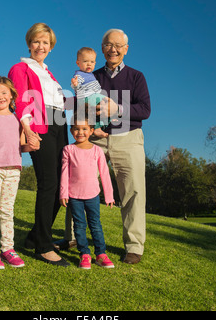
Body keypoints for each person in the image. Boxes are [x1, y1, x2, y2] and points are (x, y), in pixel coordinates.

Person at [61, 29, 151, 265]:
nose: (114, 49)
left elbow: (145, 110)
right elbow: (80, 107)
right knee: (76, 183)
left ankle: (133, 246)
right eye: (109, 45)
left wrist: (118, 110)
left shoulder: (136, 77)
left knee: (132, 191)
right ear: (102, 49)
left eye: (118, 45)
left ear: (126, 49)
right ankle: (72, 238)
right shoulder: (91, 75)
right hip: (95, 139)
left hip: (128, 137)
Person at [8, 23, 70, 267]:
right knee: (49, 183)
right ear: (29, 44)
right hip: (39, 126)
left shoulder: (50, 74)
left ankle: (35, 237)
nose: (41, 46)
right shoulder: (20, 67)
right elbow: (21, 100)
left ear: (51, 47)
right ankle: (43, 247)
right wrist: (27, 129)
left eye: (45, 43)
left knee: (61, 183)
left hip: (59, 124)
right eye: (36, 41)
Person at [0, 76, 37, 269]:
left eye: (4, 93)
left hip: (13, 170)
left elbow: (20, 146)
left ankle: (8, 249)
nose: (0, 97)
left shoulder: (17, 119)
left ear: (11, 95)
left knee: (7, 211)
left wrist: (31, 146)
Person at [60, 110, 115, 269]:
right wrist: (63, 193)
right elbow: (64, 173)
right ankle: (84, 254)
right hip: (74, 196)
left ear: (91, 131)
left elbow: (104, 174)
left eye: (84, 129)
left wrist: (109, 196)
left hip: (93, 196)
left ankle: (101, 254)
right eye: (76, 129)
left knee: (95, 224)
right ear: (71, 131)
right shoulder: (68, 150)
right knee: (79, 225)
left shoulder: (97, 151)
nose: (80, 132)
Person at [71, 47, 111, 134]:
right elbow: (77, 85)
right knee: (94, 111)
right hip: (87, 97)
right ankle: (96, 128)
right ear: (78, 63)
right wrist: (75, 84)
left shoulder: (91, 74)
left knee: (107, 103)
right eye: (85, 61)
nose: (89, 64)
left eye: (92, 62)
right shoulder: (80, 74)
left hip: (94, 95)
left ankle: (107, 120)